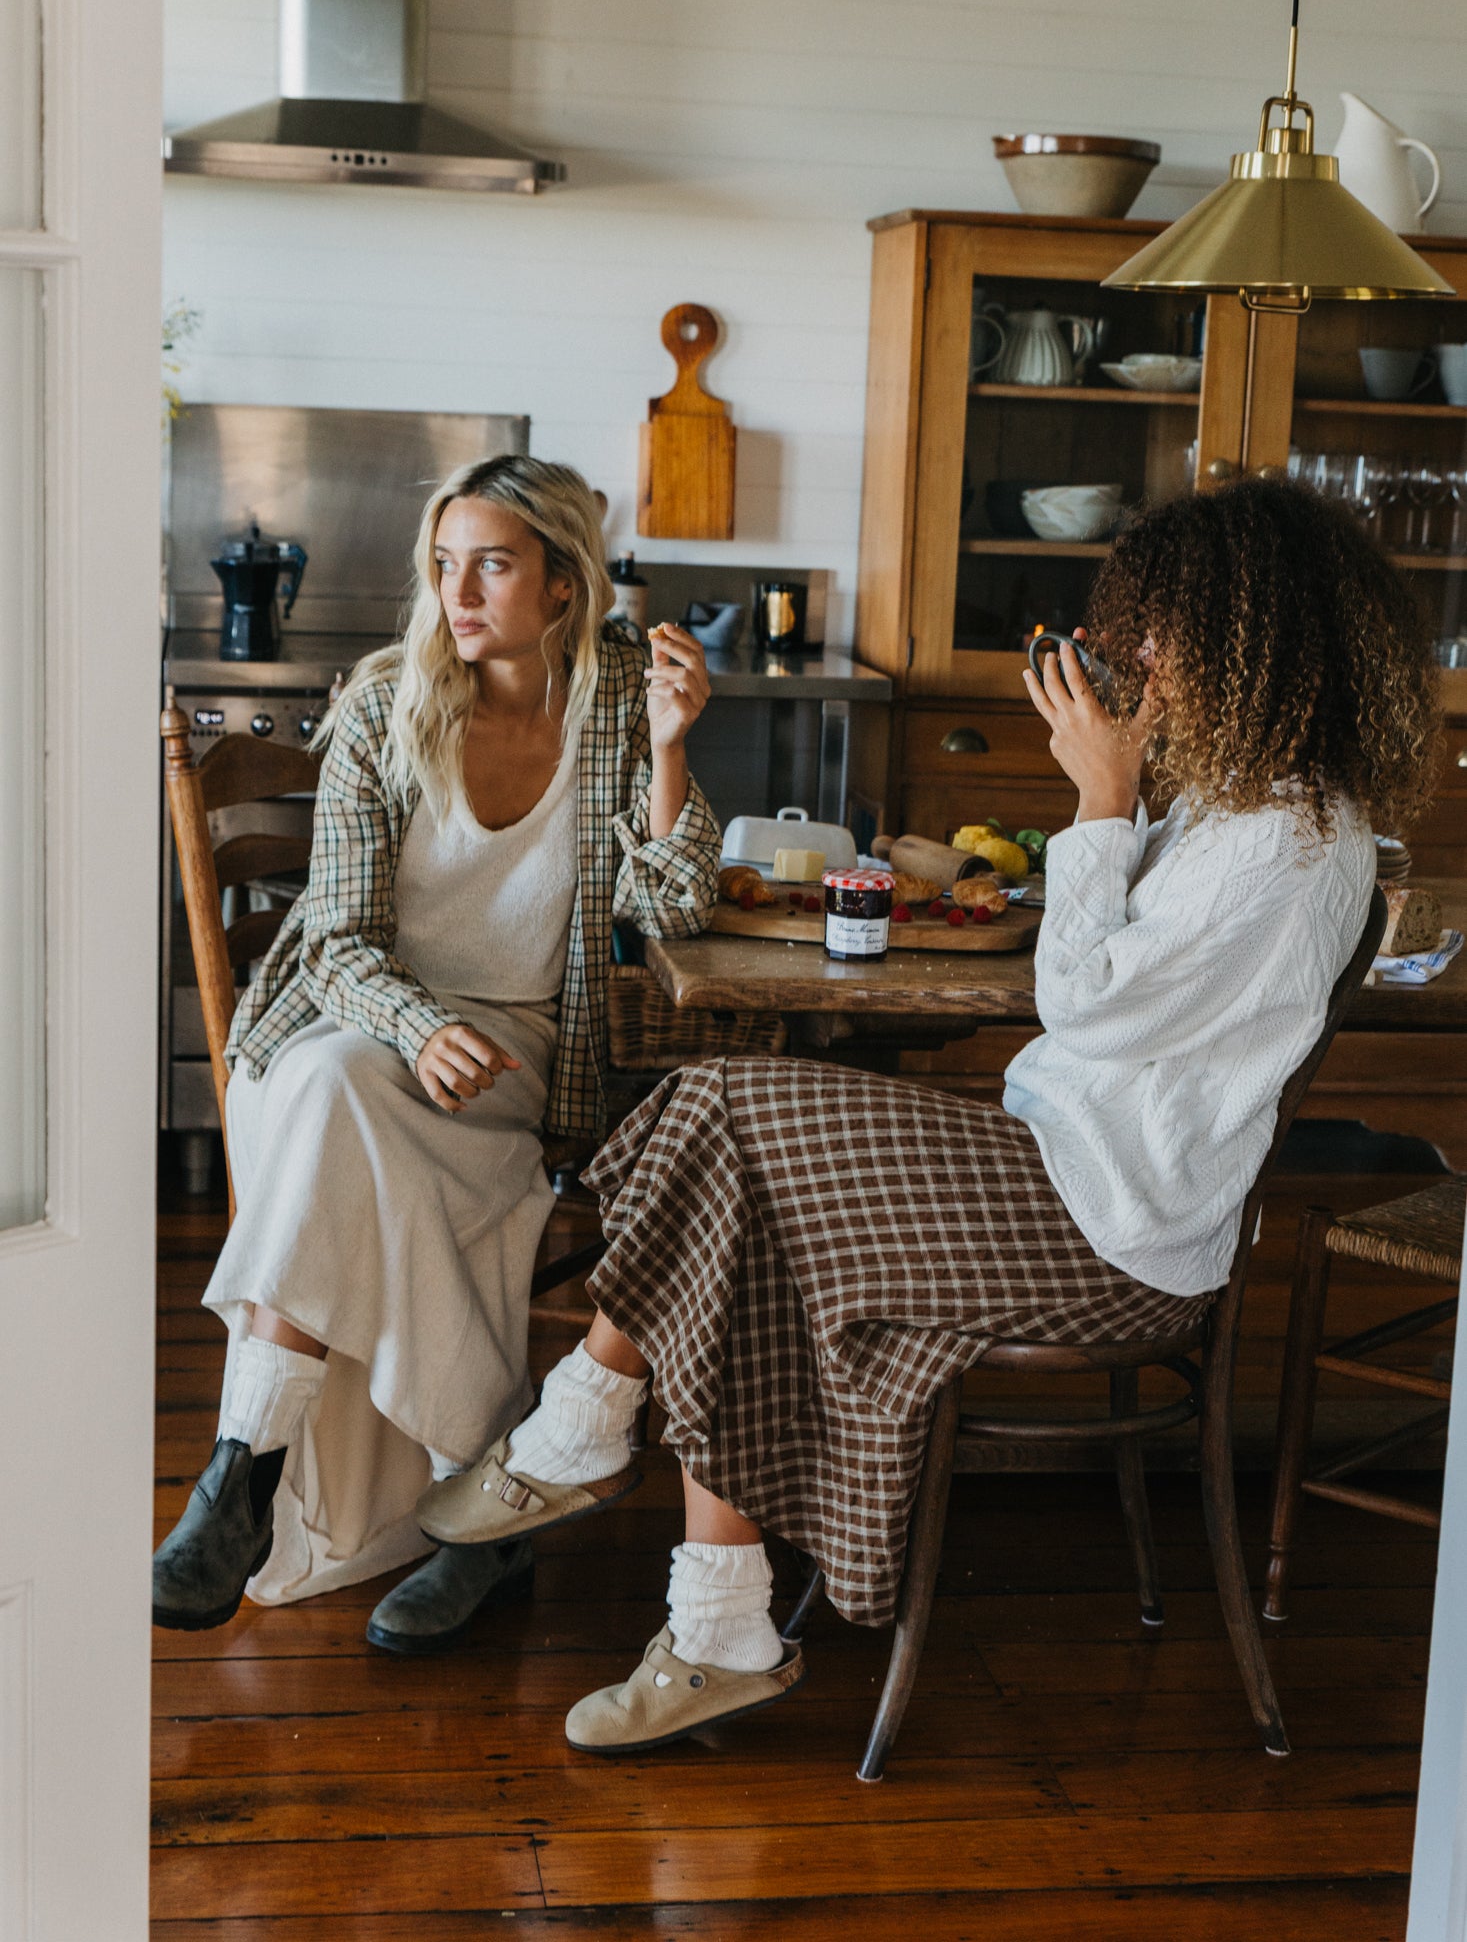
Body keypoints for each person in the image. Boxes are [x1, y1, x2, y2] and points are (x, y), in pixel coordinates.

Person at [416, 476, 1440, 1752]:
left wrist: (1101, 804)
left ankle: (582, 1435)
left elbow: (1081, 1009)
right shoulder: (1240, 809)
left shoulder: (1293, 843)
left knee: (725, 1104)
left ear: (1259, 636)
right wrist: (1125, 812)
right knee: (733, 1185)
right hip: (1063, 1173)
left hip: (1108, 1232)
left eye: (1166, 630)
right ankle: (709, 1622)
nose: (1136, 658)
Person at [152, 455, 721, 1652]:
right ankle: (475, 1508)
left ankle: (240, 1480)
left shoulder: (619, 700)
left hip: (521, 1053)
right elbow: (342, 942)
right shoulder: (382, 702)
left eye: (494, 564)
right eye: (445, 561)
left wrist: (671, 750)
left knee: (345, 1113)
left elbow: (671, 913)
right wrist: (419, 1024)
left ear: (564, 587)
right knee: (336, 1087)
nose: (457, 590)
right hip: (362, 1018)